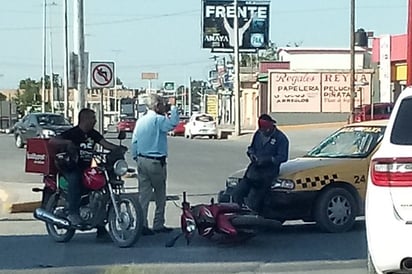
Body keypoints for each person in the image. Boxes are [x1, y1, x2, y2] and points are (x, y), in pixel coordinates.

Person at [49, 108, 125, 238]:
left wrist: (118, 149)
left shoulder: (93, 134)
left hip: (86, 168)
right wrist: (68, 143)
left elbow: (105, 144)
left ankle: (101, 227)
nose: (95, 121)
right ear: (85, 119)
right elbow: (52, 141)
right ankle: (72, 212)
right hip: (70, 167)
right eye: (93, 118)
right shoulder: (73, 133)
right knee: (76, 179)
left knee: (102, 187)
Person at [131, 94, 179, 236]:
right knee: (160, 194)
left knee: (144, 195)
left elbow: (134, 141)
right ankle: (158, 224)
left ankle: (142, 224)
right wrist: (174, 108)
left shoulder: (141, 121)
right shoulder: (159, 120)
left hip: (142, 159)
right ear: (157, 106)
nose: (165, 107)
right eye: (163, 104)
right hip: (156, 161)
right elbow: (173, 124)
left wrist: (136, 157)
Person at [233, 114, 289, 213]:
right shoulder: (258, 134)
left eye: (265, 130)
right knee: (237, 193)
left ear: (271, 127)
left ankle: (253, 219)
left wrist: (269, 159)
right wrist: (251, 153)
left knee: (253, 201)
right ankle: (237, 213)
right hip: (253, 171)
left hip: (267, 174)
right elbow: (252, 147)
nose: (263, 132)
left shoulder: (281, 138)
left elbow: (283, 157)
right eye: (261, 130)